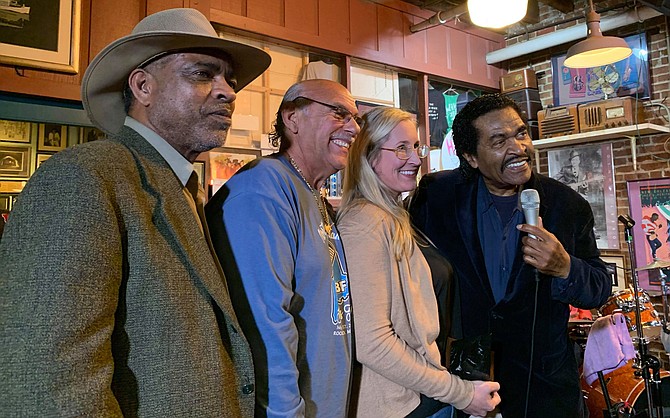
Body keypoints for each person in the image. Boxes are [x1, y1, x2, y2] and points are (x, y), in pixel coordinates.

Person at [0, 8, 271, 416]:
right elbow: (48, 388)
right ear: (143, 86)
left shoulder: (183, 189)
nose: (228, 92)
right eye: (202, 73)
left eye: (229, 80)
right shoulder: (82, 178)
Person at [409, 94, 611, 418]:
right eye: (499, 140)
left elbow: (600, 286)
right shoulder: (436, 196)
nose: (518, 148)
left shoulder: (567, 206)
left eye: (521, 134)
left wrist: (564, 267)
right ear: (471, 157)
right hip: (464, 383)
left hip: (544, 389)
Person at [206, 79, 359, 417]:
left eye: (355, 118)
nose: (353, 127)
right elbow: (264, 326)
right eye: (339, 113)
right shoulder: (261, 190)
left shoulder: (311, 193)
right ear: (293, 119)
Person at [337, 107, 501, 418]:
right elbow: (371, 342)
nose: (415, 159)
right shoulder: (365, 223)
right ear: (368, 156)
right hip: (398, 406)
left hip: (419, 396)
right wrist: (460, 393)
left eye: (416, 147)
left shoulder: (392, 216)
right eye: (401, 148)